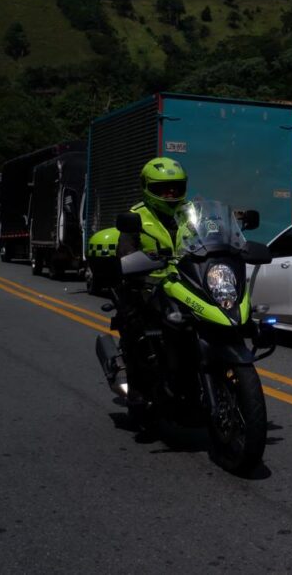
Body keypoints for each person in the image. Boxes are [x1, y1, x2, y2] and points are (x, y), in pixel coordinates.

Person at [114, 157, 188, 415]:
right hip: (146, 290)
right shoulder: (136, 218)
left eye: (176, 188)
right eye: (163, 189)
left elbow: (211, 236)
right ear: (147, 187)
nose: (170, 194)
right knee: (137, 331)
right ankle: (137, 389)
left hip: (186, 287)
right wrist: (140, 268)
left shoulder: (190, 214)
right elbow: (125, 255)